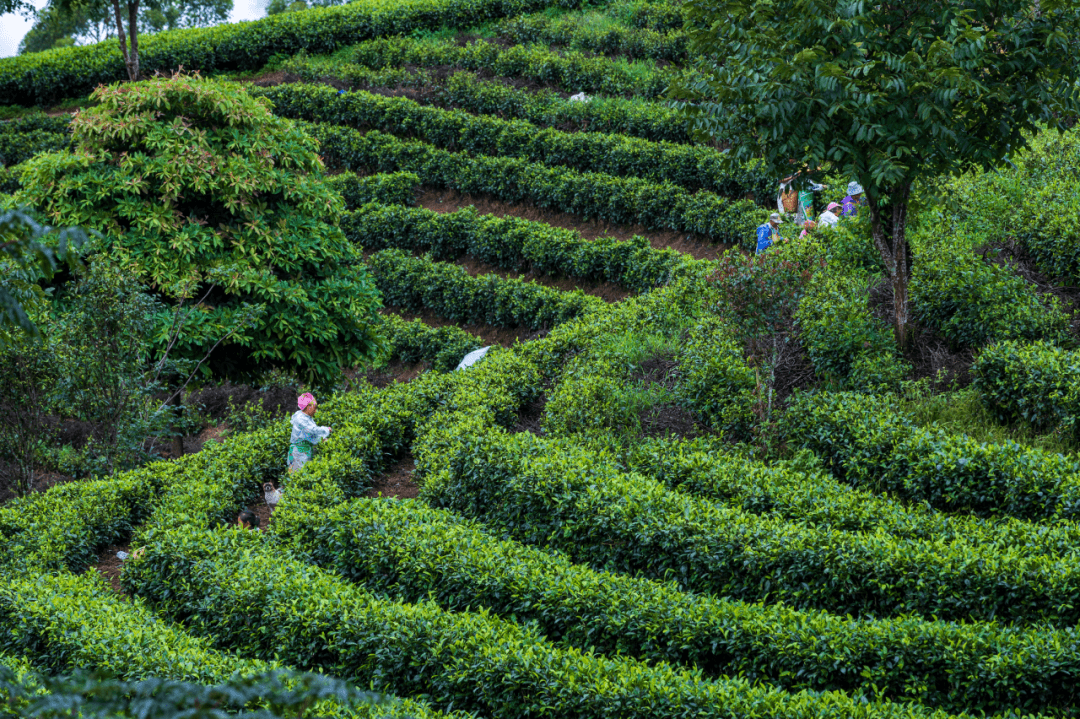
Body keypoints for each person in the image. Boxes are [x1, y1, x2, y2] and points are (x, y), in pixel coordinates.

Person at [287, 392, 331, 472]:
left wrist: (322, 439)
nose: (315, 411)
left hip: (304, 452)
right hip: (298, 454)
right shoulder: (301, 418)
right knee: (297, 475)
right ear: (308, 406)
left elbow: (310, 435)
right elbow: (312, 430)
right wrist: (326, 430)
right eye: (315, 408)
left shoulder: (306, 417)